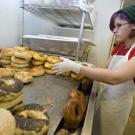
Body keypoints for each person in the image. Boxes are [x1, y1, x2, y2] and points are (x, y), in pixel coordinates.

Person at [53, 5, 135, 135]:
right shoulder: (120, 47)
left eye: (119, 25)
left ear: (133, 25)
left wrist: (76, 68)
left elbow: (115, 77)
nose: (114, 30)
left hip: (117, 108)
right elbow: (103, 68)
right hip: (104, 98)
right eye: (113, 27)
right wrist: (86, 66)